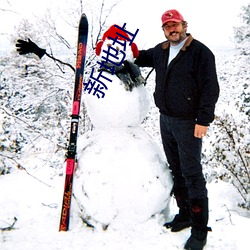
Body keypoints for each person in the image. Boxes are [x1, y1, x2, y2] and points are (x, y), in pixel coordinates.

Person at [135, 9, 219, 250]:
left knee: (192, 173)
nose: (172, 29)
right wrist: (119, 46)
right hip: (166, 120)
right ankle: (185, 214)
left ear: (184, 24)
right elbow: (140, 57)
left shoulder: (200, 52)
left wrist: (203, 120)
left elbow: (210, 88)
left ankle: (200, 231)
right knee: (177, 169)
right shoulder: (161, 51)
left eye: (175, 24)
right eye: (167, 26)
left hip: (189, 123)